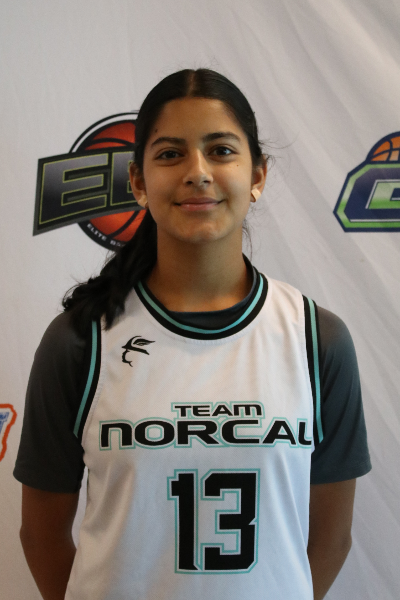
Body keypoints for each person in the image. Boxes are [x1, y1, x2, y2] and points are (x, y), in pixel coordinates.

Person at [14, 68, 371, 600]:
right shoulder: (82, 341)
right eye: (170, 154)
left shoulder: (316, 339)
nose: (197, 172)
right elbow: (41, 536)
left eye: (221, 151)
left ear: (258, 174)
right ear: (138, 182)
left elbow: (331, 539)